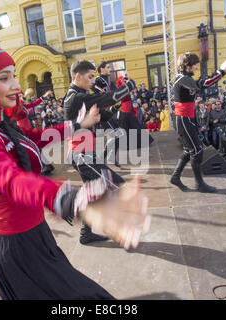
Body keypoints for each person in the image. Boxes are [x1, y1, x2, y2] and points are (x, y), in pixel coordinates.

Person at [0, 43, 151, 299]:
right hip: (16, 246)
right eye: (4, 78)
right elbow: (11, 180)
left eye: (13, 75)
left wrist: (80, 123)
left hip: (34, 234)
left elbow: (35, 137)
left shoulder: (0, 126)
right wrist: (77, 200)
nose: (15, 85)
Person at [63, 60, 139, 245]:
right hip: (82, 155)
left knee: (95, 196)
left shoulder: (82, 95)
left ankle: (86, 234)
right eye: (89, 77)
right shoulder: (75, 97)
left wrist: (113, 109)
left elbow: (102, 115)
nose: (92, 81)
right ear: (77, 76)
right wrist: (128, 86)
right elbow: (104, 99)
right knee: (119, 187)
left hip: (85, 153)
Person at [170, 52, 226, 193]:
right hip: (184, 120)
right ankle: (200, 185)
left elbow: (199, 84)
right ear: (187, 66)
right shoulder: (182, 79)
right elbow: (202, 84)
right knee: (197, 151)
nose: (197, 68)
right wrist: (222, 71)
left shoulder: (184, 78)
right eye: (195, 65)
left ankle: (175, 177)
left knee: (189, 150)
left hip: (188, 119)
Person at [92, 61, 123, 168]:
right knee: (116, 135)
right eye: (108, 67)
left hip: (110, 112)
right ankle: (103, 158)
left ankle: (109, 157)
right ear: (101, 69)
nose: (110, 69)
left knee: (118, 135)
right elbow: (95, 91)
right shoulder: (98, 80)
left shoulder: (108, 80)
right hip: (104, 114)